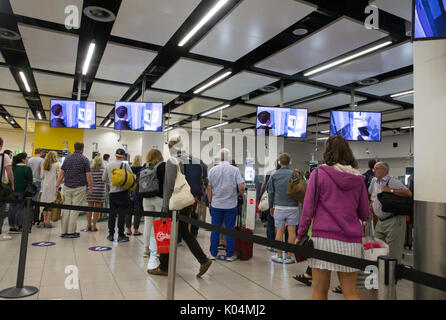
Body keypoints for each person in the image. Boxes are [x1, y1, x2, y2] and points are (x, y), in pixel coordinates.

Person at [297, 135, 371, 300]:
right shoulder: (358, 179)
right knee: (351, 292)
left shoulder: (318, 175)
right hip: (351, 241)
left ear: (327, 152)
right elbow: (365, 213)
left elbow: (308, 209)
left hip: (323, 239)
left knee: (319, 291)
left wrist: (300, 234)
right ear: (348, 153)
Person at [150, 136, 212, 277]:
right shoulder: (191, 160)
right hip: (187, 202)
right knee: (184, 232)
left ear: (170, 147)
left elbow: (169, 186)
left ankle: (164, 267)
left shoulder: (173, 161)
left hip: (175, 204)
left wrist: (165, 207)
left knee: (166, 233)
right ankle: (203, 260)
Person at [370, 161, 412, 262]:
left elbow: (408, 193)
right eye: (374, 168)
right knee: (377, 249)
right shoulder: (375, 182)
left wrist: (390, 190)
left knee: (393, 253)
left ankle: (392, 276)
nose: (374, 171)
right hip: (381, 221)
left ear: (384, 170)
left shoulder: (392, 181)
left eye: (376, 168)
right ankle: (382, 274)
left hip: (394, 220)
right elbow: (374, 199)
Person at [208, 148, 245, 262]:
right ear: (229, 158)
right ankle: (229, 255)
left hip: (216, 204)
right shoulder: (235, 170)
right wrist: (239, 194)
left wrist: (210, 202)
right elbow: (241, 187)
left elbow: (209, 188)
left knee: (215, 229)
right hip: (230, 205)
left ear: (219, 157)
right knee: (230, 229)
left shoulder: (212, 170)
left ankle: (213, 254)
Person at [267, 153, 299, 264]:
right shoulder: (294, 174)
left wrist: (271, 207)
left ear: (279, 162)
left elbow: (270, 193)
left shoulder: (274, 175)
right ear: (289, 162)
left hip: (279, 207)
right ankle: (289, 256)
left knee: (279, 231)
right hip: (293, 207)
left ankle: (279, 256)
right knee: (292, 232)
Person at [56, 142, 93, 238]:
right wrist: (90, 188)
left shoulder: (67, 158)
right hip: (80, 187)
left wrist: (57, 185)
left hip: (67, 186)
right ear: (82, 148)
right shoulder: (85, 160)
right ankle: (71, 232)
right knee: (75, 210)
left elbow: (62, 172)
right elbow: (88, 175)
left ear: (74, 147)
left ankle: (64, 231)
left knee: (66, 209)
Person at [141, 149, 165, 271]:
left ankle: (146, 249)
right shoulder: (163, 167)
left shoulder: (144, 167)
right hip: (159, 198)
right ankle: (158, 250)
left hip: (146, 198)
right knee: (159, 224)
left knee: (147, 223)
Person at [102, 148, 132, 242]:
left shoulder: (109, 165)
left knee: (112, 214)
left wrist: (111, 183)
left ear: (115, 155)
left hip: (112, 193)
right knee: (122, 215)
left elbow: (104, 178)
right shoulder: (125, 165)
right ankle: (120, 235)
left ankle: (110, 234)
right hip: (123, 193)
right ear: (123, 156)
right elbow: (131, 176)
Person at [184, 154, 208, 238]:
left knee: (187, 214)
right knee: (192, 212)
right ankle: (191, 232)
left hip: (185, 192)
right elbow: (205, 176)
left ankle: (187, 232)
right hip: (196, 193)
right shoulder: (200, 163)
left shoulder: (184, 162)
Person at [8, 153, 33, 233]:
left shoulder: (13, 167)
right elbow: (30, 182)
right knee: (20, 209)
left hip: (12, 191)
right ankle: (18, 226)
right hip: (22, 191)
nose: (28, 159)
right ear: (23, 159)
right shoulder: (27, 168)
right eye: (27, 158)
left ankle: (12, 225)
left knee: (11, 208)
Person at [40, 151, 60, 228]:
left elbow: (41, 176)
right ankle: (48, 221)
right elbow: (58, 176)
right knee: (51, 203)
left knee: (44, 203)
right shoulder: (56, 165)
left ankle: (44, 220)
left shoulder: (44, 165)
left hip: (45, 186)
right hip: (53, 186)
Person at [85, 156, 105, 232]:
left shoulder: (90, 170)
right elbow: (106, 180)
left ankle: (88, 225)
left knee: (89, 209)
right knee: (97, 210)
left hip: (91, 191)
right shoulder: (103, 170)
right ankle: (94, 226)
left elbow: (87, 179)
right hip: (100, 192)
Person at [126, 155, 144, 236]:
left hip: (129, 191)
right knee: (137, 211)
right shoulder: (142, 169)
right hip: (138, 193)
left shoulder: (129, 168)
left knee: (128, 211)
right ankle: (136, 230)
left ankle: (128, 230)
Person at [0, 139, 14, 240]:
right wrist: (12, 184)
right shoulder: (4, 157)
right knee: (1, 208)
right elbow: (9, 172)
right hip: (0, 186)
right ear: (1, 146)